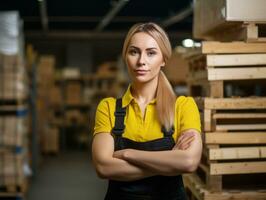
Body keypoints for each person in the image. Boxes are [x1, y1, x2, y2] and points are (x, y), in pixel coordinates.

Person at [92, 22, 202, 200]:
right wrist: (170, 161)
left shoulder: (183, 106)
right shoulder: (109, 108)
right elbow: (103, 167)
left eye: (151, 53)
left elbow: (189, 162)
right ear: (126, 57)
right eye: (134, 52)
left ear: (164, 59)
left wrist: (128, 154)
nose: (141, 61)